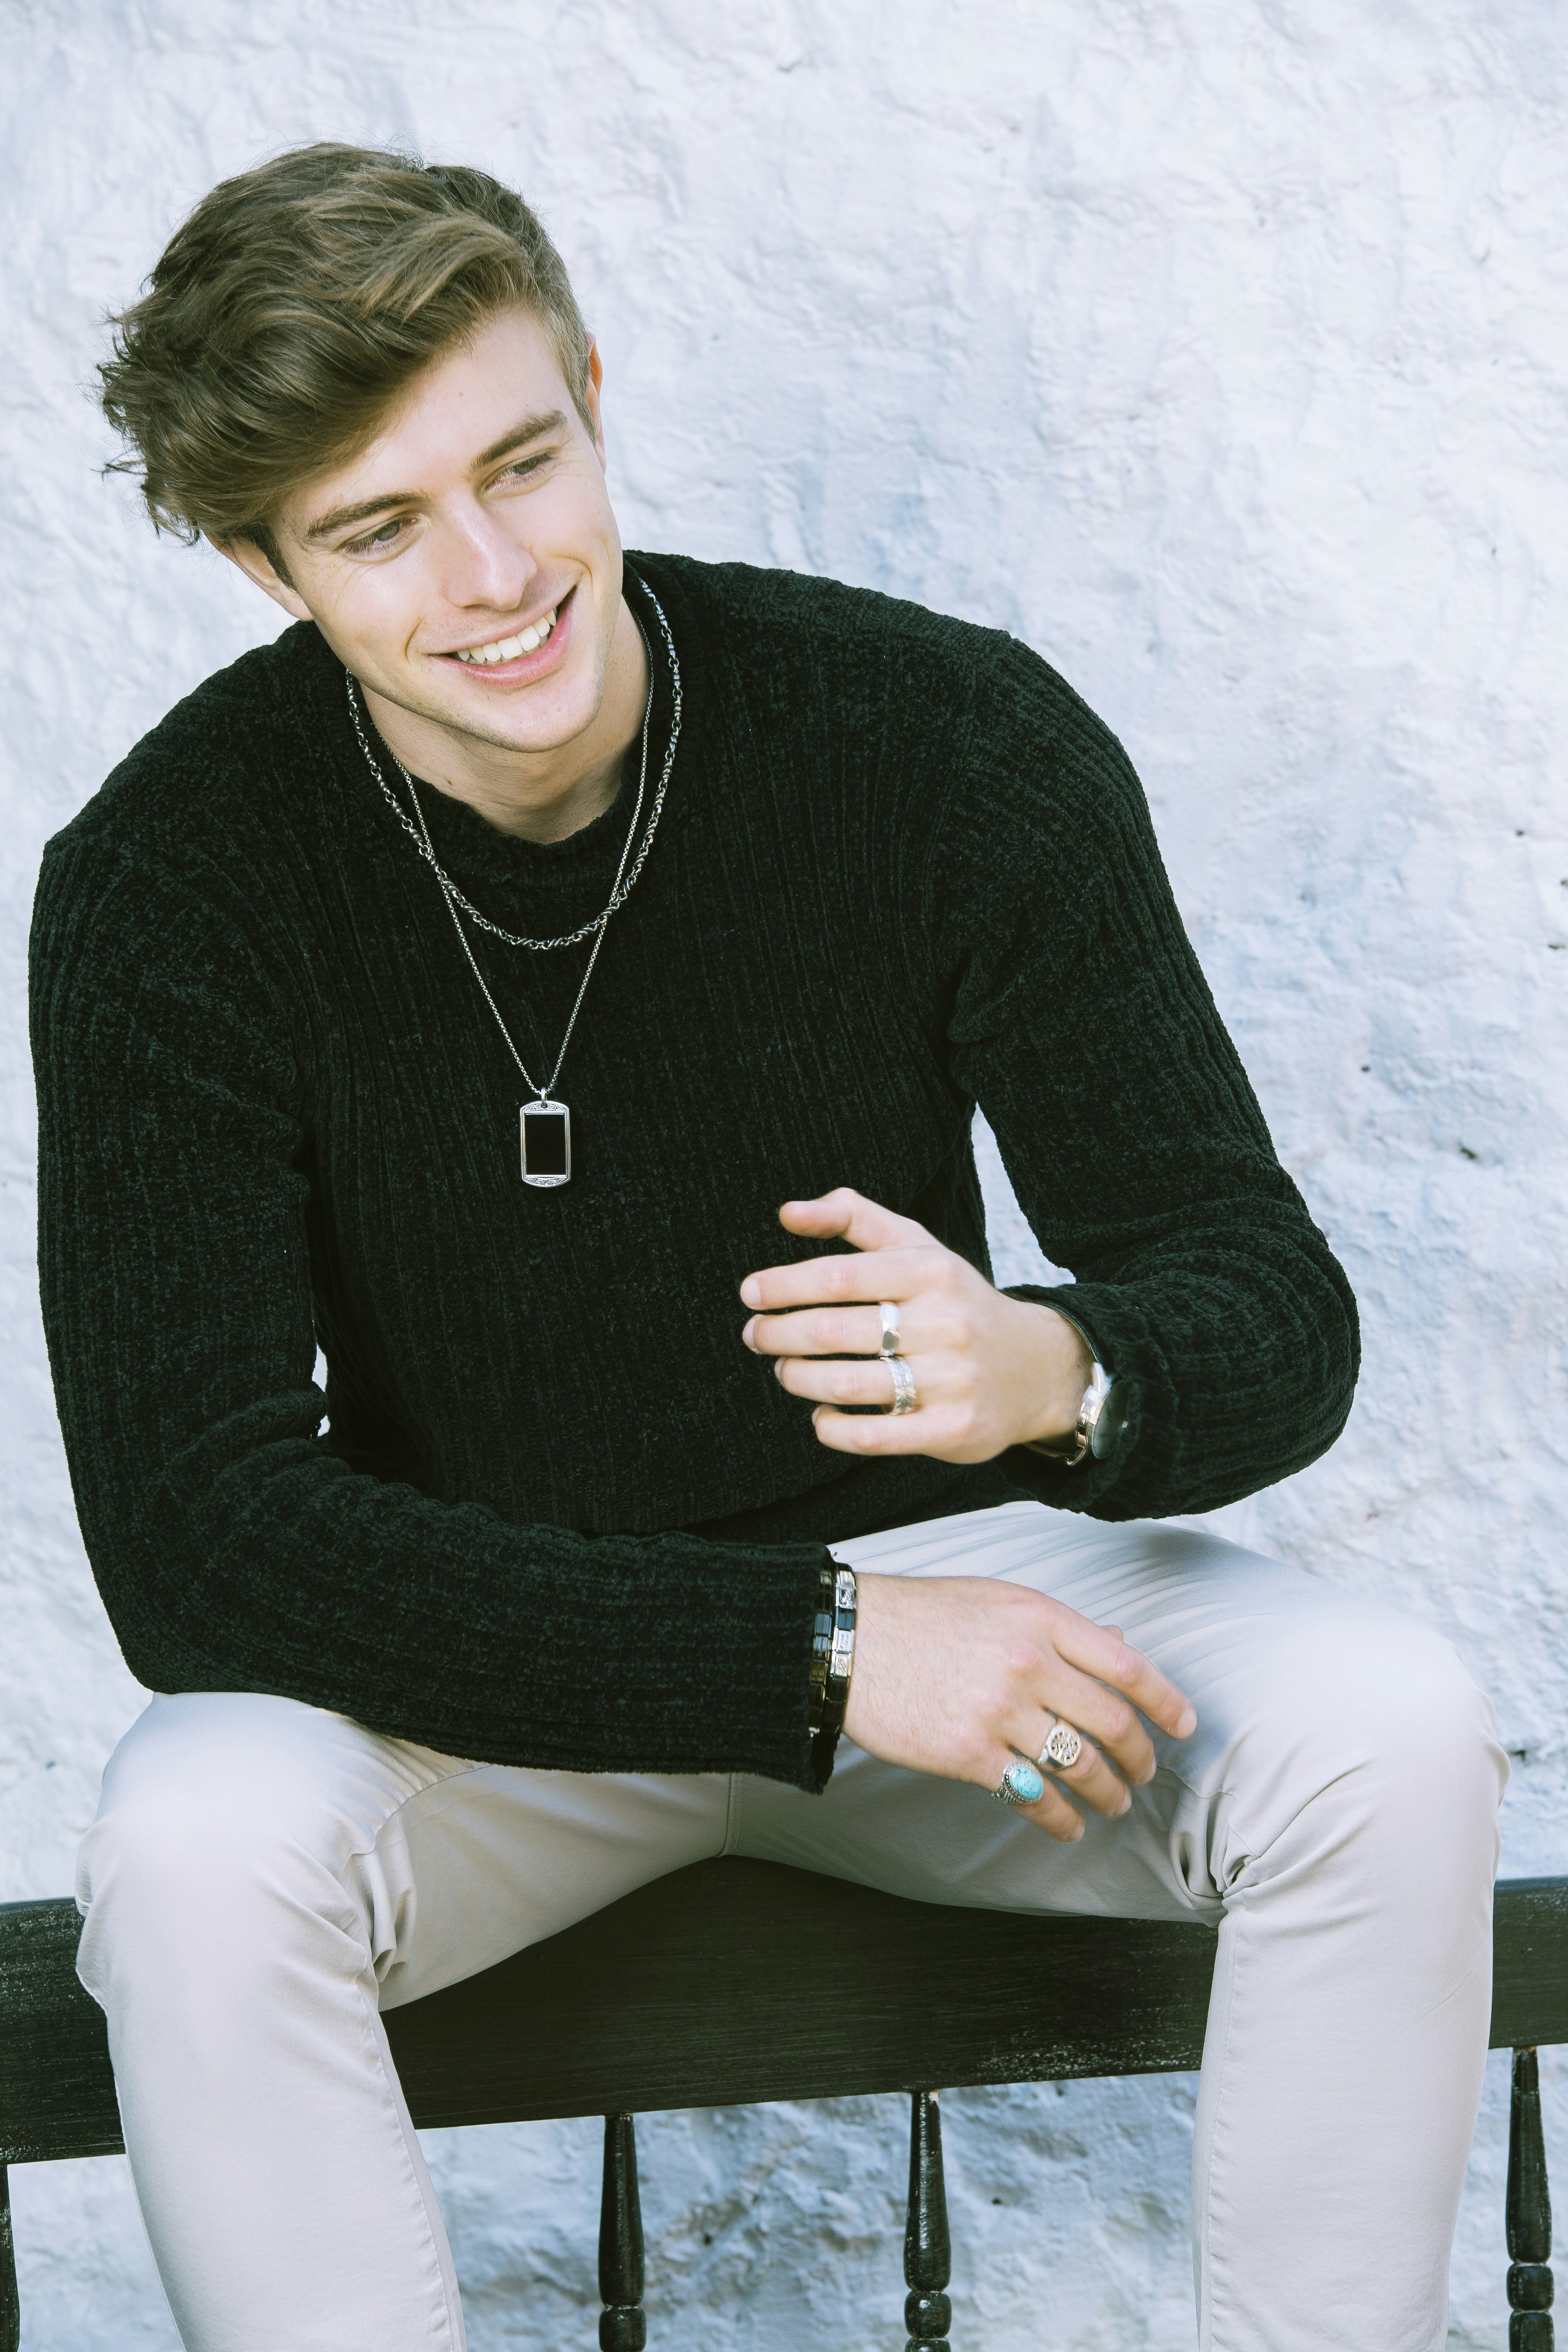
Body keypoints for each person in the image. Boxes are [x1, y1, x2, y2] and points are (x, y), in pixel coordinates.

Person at [30, 142, 1503, 2352]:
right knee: (197, 1847)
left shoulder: (941, 743)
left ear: (597, 389)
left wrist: (1056, 1373)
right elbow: (202, 1544)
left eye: (525, 461)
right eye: (379, 529)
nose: (498, 571)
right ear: (263, 566)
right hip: (497, 1692)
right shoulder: (171, 889)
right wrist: (814, 1645)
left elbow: (1266, 1306)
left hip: (964, 1636)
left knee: (1386, 1727)